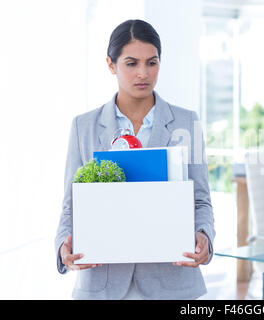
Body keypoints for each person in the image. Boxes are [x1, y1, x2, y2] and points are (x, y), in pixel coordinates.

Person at [54, 19, 215, 300]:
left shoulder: (188, 123)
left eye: (151, 63)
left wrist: (205, 237)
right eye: (131, 63)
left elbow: (200, 199)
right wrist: (62, 248)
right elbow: (72, 202)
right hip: (103, 284)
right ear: (111, 64)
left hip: (171, 281)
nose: (143, 73)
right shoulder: (84, 126)